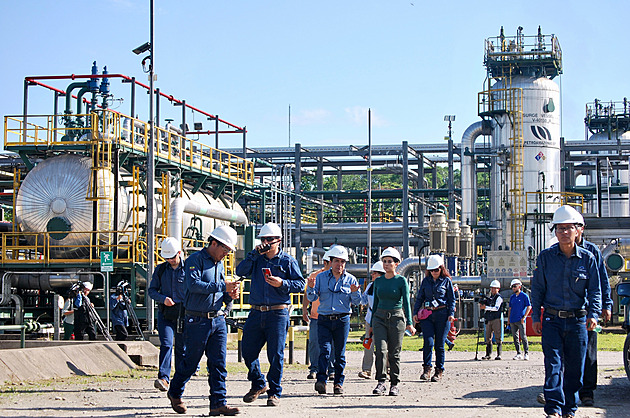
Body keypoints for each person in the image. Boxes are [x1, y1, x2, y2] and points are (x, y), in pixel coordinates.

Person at [531, 205, 601, 418]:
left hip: (578, 321)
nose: (563, 232)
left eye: (568, 228)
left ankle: (569, 408)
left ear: (577, 230)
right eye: (559, 228)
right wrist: (536, 316)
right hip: (552, 319)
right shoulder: (545, 258)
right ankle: (553, 408)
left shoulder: (588, 259)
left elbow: (595, 289)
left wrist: (594, 314)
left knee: (575, 370)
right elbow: (538, 289)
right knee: (553, 364)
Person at [167, 225, 241, 416]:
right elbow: (194, 285)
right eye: (225, 249)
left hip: (217, 320)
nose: (226, 254)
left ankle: (218, 403)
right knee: (191, 362)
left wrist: (230, 296)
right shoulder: (194, 260)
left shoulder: (220, 264)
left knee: (218, 363)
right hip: (197, 320)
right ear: (214, 243)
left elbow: (222, 290)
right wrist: (223, 286)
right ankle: (175, 391)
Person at [236, 222, 305, 407]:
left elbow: (300, 284)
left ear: (278, 241)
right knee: (248, 351)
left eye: (269, 240)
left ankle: (274, 392)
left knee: (275, 355)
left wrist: (282, 283)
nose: (265, 243)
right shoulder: (257, 259)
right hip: (256, 311)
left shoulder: (287, 261)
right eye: (263, 239)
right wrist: (253, 254)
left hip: (278, 312)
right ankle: (259, 383)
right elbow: (240, 271)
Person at [306, 245, 361, 395]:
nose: (339, 265)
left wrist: (355, 293)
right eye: (337, 261)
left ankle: (338, 383)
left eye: (343, 262)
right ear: (330, 262)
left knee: (339, 354)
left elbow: (357, 302)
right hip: (323, 319)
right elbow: (312, 298)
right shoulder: (321, 278)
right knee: (324, 350)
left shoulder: (351, 279)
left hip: (342, 320)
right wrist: (310, 288)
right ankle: (321, 381)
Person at [574, 209, 612, 406]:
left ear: (581, 229)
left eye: (576, 226)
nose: (573, 230)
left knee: (589, 352)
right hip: (569, 310)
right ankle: (563, 391)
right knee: (565, 353)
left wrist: (606, 305)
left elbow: (602, 281)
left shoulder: (592, 251)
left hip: (589, 310)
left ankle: (587, 392)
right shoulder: (558, 250)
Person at [369, 247, 415, 396]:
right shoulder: (378, 281)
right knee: (380, 351)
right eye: (384, 261)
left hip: (396, 319)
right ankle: (381, 381)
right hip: (379, 318)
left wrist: (409, 322)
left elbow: (406, 303)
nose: (387, 264)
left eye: (390, 261)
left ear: (396, 264)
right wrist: (370, 324)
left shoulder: (401, 281)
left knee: (394, 353)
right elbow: (374, 304)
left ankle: (394, 383)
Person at [148, 237, 186, 393]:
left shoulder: (189, 268)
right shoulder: (161, 270)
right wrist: (163, 299)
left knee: (182, 348)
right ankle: (164, 378)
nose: (170, 260)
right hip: (166, 313)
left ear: (179, 253)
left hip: (184, 314)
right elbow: (151, 291)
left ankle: (180, 379)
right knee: (166, 344)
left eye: (172, 257)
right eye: (167, 258)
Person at [413, 254, 456, 382]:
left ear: (441, 268)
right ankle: (426, 369)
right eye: (431, 270)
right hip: (428, 315)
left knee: (440, 345)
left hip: (442, 315)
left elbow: (451, 299)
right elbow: (419, 297)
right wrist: (415, 312)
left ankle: (439, 370)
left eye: (436, 270)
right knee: (428, 342)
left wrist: (451, 314)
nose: (434, 273)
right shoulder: (425, 281)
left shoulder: (447, 281)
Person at [302, 250, 334, 380]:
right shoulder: (315, 276)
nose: (335, 265)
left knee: (332, 344)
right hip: (316, 316)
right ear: (325, 263)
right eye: (333, 262)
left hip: (333, 315)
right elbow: (306, 293)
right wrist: (305, 309)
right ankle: (314, 369)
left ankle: (331, 370)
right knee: (314, 343)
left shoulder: (338, 276)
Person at [358, 260, 386, 379]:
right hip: (370, 319)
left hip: (384, 318)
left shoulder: (387, 287)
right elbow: (363, 300)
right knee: (368, 344)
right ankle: (366, 370)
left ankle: (387, 370)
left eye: (375, 273)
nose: (372, 275)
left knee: (385, 346)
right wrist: (356, 292)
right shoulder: (370, 286)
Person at [508, 278, 531, 360]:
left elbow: (529, 306)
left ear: (519, 286)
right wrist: (509, 319)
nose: (513, 288)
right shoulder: (512, 297)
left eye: (515, 286)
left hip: (520, 319)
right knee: (515, 337)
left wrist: (524, 316)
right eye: (512, 287)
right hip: (513, 319)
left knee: (523, 336)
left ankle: (526, 353)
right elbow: (510, 308)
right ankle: (518, 353)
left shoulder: (524, 296)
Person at [480, 280, 504, 360]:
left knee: (497, 336)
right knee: (488, 337)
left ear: (498, 289)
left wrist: (486, 307)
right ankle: (488, 354)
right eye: (492, 288)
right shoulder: (490, 298)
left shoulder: (499, 298)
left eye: (494, 288)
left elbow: (496, 308)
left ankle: (499, 354)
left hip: (496, 319)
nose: (493, 290)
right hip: (489, 319)